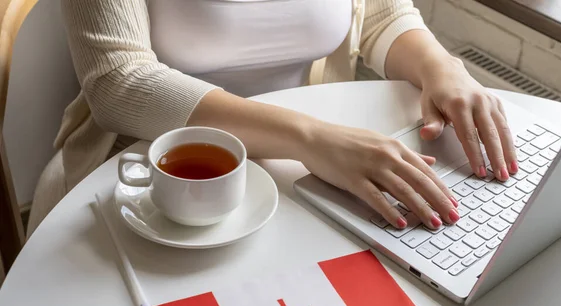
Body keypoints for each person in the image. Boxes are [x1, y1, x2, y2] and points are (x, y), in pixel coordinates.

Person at [27, 0, 517, 235]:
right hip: (143, 182)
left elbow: (382, 17)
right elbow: (120, 81)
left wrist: (443, 68)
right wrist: (311, 138)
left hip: (302, 176)